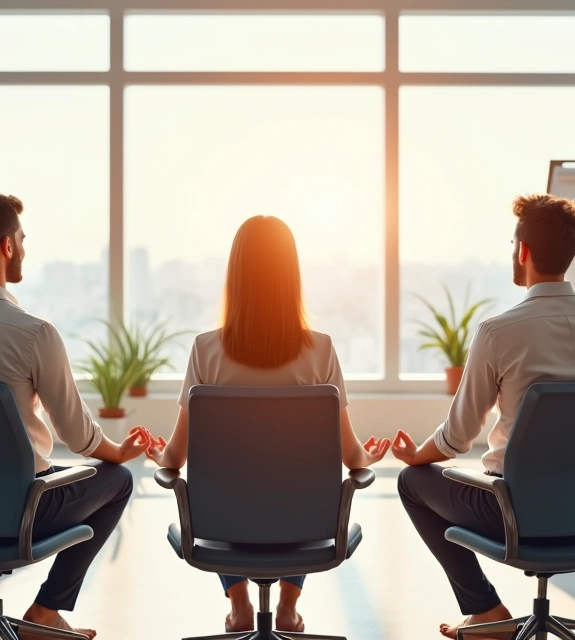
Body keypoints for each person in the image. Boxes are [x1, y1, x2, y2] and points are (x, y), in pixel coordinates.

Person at [0, 191, 153, 640]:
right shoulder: (34, 333)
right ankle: (45, 611)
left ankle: (44, 613)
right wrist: (118, 451)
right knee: (117, 480)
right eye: (22, 238)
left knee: (51, 471)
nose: (24, 247)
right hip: (16, 511)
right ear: (7, 246)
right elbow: (78, 436)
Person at [390, 194, 575, 639]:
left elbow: (457, 437)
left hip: (518, 512)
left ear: (522, 250)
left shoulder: (499, 331)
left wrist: (415, 456)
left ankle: (485, 610)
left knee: (412, 483)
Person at [146, 215, 391, 635]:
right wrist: (369, 455)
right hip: (305, 528)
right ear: (292, 277)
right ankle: (289, 608)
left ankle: (239, 604)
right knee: (298, 481)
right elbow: (351, 458)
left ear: (234, 276)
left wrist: (158, 454)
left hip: (222, 526)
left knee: (231, 485)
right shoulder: (321, 350)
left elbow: (178, 458)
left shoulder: (206, 350)